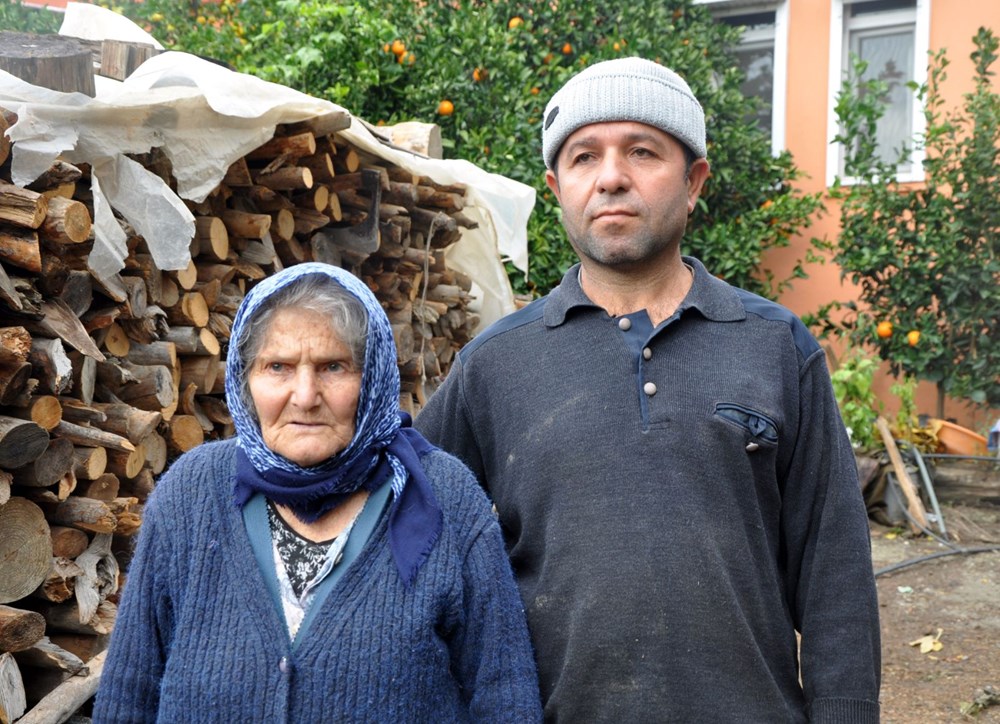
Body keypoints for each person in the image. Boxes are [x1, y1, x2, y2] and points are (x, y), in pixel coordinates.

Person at [415, 57, 881, 723]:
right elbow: (405, 527)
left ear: (694, 182)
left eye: (642, 151)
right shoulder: (496, 365)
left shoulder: (775, 347)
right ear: (557, 187)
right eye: (583, 158)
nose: (610, 178)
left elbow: (834, 575)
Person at [94, 262, 542, 723]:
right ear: (245, 382)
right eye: (278, 367)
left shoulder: (445, 497)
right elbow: (130, 690)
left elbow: (503, 693)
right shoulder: (191, 493)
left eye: (333, 366)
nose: (305, 395)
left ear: (372, 379)